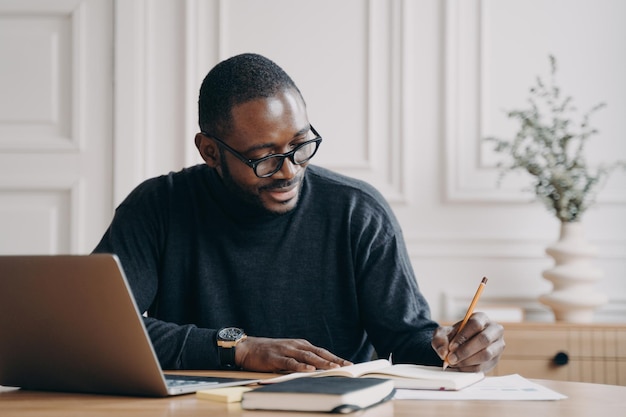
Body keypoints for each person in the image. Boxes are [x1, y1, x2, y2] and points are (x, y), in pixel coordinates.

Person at [93, 53, 505, 373]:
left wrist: (456, 350)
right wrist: (239, 348)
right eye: (264, 158)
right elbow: (100, 327)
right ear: (210, 152)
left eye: (300, 145)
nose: (289, 171)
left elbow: (408, 342)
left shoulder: (357, 213)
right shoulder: (156, 207)